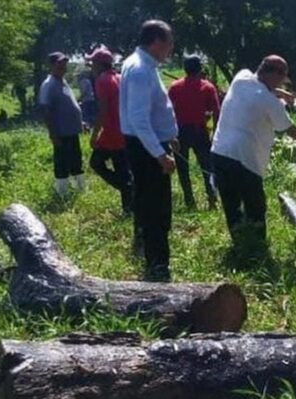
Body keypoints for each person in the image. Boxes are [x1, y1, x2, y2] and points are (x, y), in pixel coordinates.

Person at [210, 55, 296, 245]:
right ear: (274, 74)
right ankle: (258, 247)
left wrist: (282, 93)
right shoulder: (269, 102)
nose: (281, 82)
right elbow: (289, 129)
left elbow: (260, 88)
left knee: (231, 203)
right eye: (282, 78)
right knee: (256, 205)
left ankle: (239, 243)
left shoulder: (241, 78)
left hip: (219, 152)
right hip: (244, 158)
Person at [120, 20, 179, 282]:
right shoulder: (140, 69)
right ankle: (157, 265)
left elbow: (153, 113)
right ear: (156, 41)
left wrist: (169, 138)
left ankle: (154, 255)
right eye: (169, 43)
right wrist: (159, 154)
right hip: (146, 148)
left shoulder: (143, 65)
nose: (170, 49)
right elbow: (139, 119)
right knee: (155, 206)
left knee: (154, 203)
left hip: (152, 143)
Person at [168, 55, 221, 210]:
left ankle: (189, 201)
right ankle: (212, 199)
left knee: (183, 169)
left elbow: (167, 111)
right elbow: (217, 112)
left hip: (180, 132)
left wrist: (170, 134)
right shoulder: (208, 87)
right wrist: (216, 132)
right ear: (200, 69)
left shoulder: (175, 87)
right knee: (207, 167)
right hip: (200, 131)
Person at [87, 47, 132, 214]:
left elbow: (103, 110)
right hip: (125, 131)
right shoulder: (119, 78)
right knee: (123, 169)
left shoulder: (102, 80)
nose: (91, 66)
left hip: (111, 134)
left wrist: (94, 134)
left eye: (92, 62)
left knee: (96, 163)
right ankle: (128, 205)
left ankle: (128, 189)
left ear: (99, 64)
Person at [39, 52, 85, 198]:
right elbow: (46, 111)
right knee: (62, 162)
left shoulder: (63, 82)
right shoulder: (49, 84)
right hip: (61, 132)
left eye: (64, 63)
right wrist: (53, 134)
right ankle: (62, 193)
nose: (63, 67)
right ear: (51, 65)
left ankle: (80, 188)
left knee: (76, 159)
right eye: (59, 64)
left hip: (71, 131)